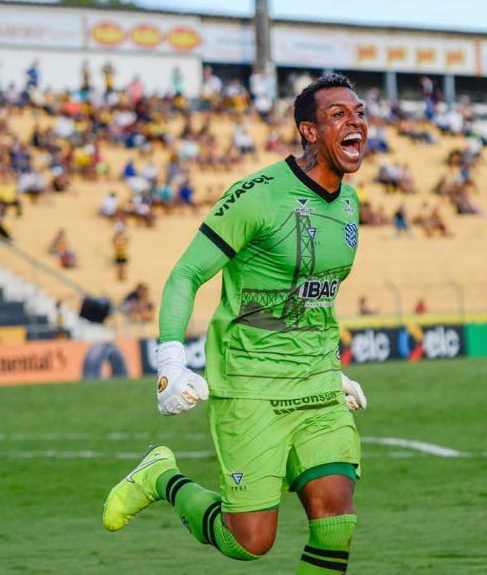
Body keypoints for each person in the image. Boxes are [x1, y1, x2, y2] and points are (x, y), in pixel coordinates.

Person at [103, 73, 369, 572]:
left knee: (336, 518)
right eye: (338, 114)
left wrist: (332, 369)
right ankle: (160, 477)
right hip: (251, 386)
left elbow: (314, 297)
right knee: (249, 541)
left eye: (359, 113)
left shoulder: (350, 203)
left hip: (317, 385)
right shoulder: (258, 196)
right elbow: (185, 275)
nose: (355, 122)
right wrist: (170, 363)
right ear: (309, 131)